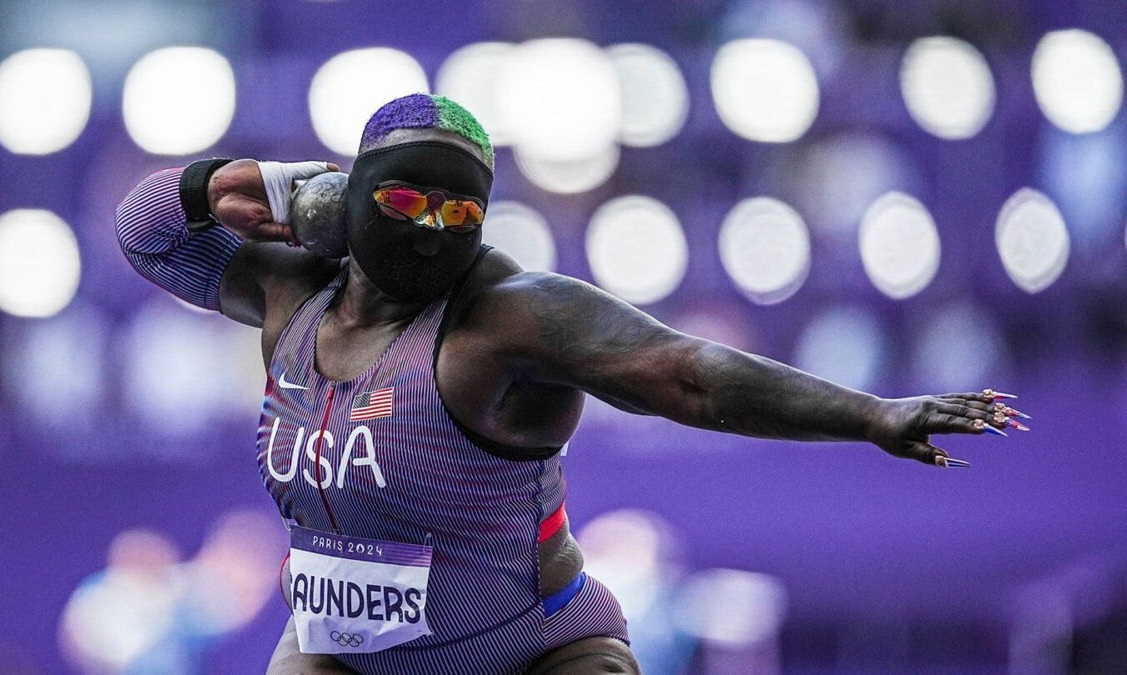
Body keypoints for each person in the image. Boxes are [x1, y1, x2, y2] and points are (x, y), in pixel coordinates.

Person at [115, 93, 1026, 674]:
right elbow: (146, 227)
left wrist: (871, 414)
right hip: (342, 657)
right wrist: (252, 182)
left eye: (461, 211)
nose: (433, 230)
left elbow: (690, 374)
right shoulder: (290, 293)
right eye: (402, 202)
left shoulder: (510, 316)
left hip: (535, 651)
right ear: (342, 200)